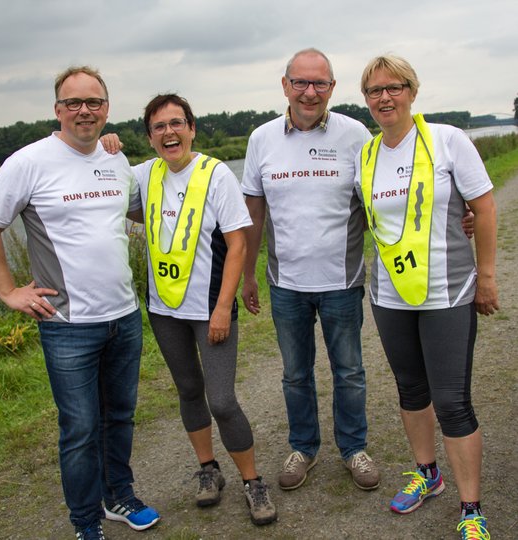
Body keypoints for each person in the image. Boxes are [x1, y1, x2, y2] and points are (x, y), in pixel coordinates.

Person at [0, 66, 160, 540]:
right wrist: (7, 291)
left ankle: (118, 496)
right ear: (57, 110)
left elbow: (143, 209)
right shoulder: (28, 162)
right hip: (67, 325)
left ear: (106, 108)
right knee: (80, 429)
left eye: (94, 102)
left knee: (119, 416)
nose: (85, 110)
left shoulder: (115, 159)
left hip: (123, 316)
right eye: (74, 103)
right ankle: (86, 522)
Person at [107, 93, 277, 526]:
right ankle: (208, 470)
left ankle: (252, 481)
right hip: (165, 308)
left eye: (176, 123)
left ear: (192, 128)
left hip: (210, 307)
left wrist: (224, 307)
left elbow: (238, 243)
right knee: (188, 390)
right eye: (159, 126)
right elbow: (102, 188)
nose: (169, 132)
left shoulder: (215, 174)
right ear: (149, 136)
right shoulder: (142, 176)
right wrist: (105, 147)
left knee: (221, 399)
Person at [355, 55, 497, 540]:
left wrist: (489, 276)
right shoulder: (367, 154)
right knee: (412, 392)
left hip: (448, 293)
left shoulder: (447, 140)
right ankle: (427, 475)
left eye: (393, 87)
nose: (384, 98)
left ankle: (471, 507)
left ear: (412, 91)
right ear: (367, 100)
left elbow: (483, 206)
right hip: (391, 297)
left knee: (453, 402)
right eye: (374, 91)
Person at [241, 48, 380, 492]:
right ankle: (304, 446)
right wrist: (247, 275)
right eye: (300, 82)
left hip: (341, 282)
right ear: (285, 85)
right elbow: (253, 213)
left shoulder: (356, 134)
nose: (309, 92)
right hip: (286, 285)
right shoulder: (261, 139)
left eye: (319, 83)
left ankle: (353, 448)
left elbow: (383, 201)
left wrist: (459, 213)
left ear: (332, 89)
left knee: (350, 372)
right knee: (295, 374)